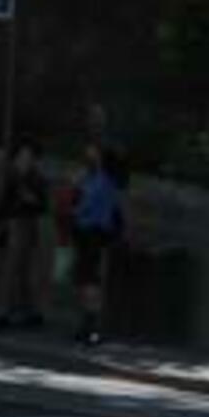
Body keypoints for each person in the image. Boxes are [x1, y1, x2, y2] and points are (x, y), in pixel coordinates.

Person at [0, 140, 49, 330]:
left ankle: (5, 314)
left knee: (13, 272)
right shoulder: (13, 176)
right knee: (11, 271)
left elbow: (43, 206)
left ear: (34, 160)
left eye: (27, 156)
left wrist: (32, 201)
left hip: (24, 227)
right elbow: (4, 202)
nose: (23, 159)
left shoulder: (37, 179)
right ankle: (27, 312)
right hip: (9, 226)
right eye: (21, 155)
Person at [69, 141, 128, 347]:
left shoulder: (102, 182)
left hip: (93, 234)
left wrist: (75, 200)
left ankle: (91, 326)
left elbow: (84, 205)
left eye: (95, 155)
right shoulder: (105, 181)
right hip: (95, 234)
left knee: (90, 281)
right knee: (89, 281)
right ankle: (87, 324)